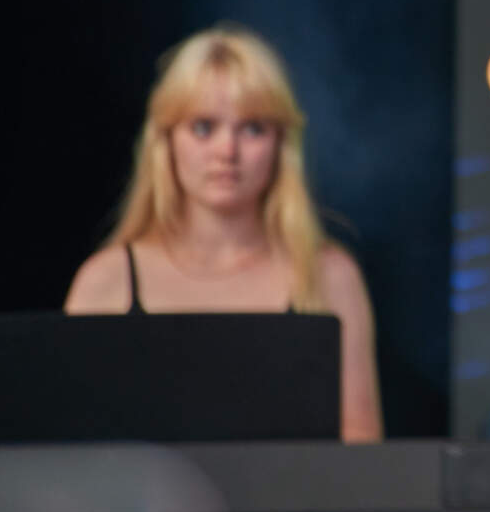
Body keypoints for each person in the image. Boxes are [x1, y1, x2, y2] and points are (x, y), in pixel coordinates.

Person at [65, 26, 382, 443]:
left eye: (252, 128)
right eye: (203, 127)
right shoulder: (107, 281)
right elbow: (71, 449)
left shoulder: (329, 276)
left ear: (281, 144)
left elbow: (361, 446)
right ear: (165, 141)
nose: (226, 151)